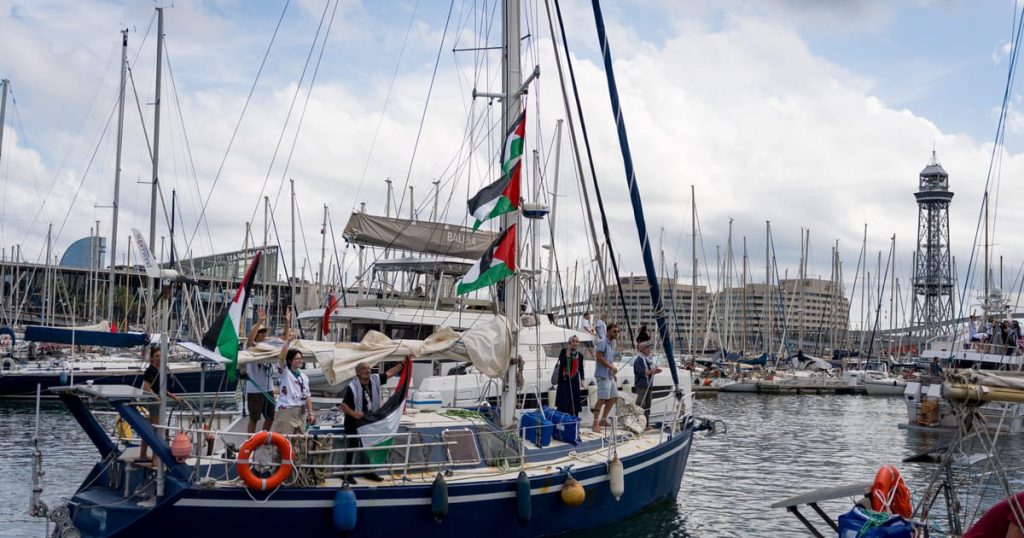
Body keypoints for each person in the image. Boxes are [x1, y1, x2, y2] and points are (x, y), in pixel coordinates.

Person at [339, 360, 405, 483]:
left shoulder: (375, 380)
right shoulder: (352, 387)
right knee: (353, 446)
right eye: (364, 369)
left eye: (369, 368)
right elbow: (343, 406)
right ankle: (346, 473)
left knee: (370, 445)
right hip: (354, 421)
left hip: (369, 421)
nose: (368, 371)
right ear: (358, 372)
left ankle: (368, 472)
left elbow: (389, 374)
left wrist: (403, 364)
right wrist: (354, 414)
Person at [138, 344, 181, 462]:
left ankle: (144, 455)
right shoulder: (150, 371)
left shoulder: (159, 371)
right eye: (156, 356)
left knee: (150, 430)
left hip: (158, 402)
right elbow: (147, 387)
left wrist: (174, 397)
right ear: (152, 358)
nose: (159, 358)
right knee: (156, 430)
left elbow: (161, 389)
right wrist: (155, 396)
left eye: (161, 356)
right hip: (153, 403)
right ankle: (155, 458)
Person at [270, 337, 314, 436]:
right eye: (296, 359)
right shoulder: (285, 372)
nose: (299, 360)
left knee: (300, 441)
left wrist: (311, 413)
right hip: (287, 411)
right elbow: (281, 358)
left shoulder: (304, 377)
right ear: (290, 361)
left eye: (300, 358)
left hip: (301, 411)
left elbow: (307, 396)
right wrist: (287, 342)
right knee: (284, 440)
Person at [241, 308, 276, 433]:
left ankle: (262, 438)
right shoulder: (250, 346)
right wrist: (259, 321)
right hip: (255, 389)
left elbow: (283, 339)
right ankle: (250, 442)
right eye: (261, 332)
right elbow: (250, 340)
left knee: (271, 416)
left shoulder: (268, 346)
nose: (264, 335)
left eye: (265, 332)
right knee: (254, 418)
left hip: (268, 388)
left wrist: (287, 323)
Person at [592, 323, 620, 433]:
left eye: (617, 331)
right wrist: (611, 367)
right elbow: (599, 357)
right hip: (602, 375)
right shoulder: (602, 342)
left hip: (609, 375)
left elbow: (609, 359)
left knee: (614, 397)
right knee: (602, 399)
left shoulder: (610, 344)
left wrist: (613, 373)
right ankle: (595, 424)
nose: (616, 333)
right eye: (614, 331)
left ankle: (603, 420)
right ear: (608, 332)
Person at [553, 337, 585, 416]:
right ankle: (562, 419)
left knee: (574, 401)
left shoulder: (580, 356)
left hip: (574, 381)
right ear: (569, 343)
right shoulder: (563, 351)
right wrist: (567, 355)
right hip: (564, 380)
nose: (575, 343)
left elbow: (581, 369)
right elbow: (562, 363)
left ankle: (574, 419)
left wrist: (582, 379)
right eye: (573, 341)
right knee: (563, 402)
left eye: (577, 341)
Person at [632, 340, 661, 426]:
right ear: (643, 349)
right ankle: (638, 424)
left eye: (649, 348)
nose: (649, 350)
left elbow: (648, 372)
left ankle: (646, 424)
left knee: (648, 406)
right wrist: (653, 371)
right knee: (640, 405)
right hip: (642, 386)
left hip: (648, 385)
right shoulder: (639, 360)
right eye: (647, 348)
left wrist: (654, 371)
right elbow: (643, 373)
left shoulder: (647, 360)